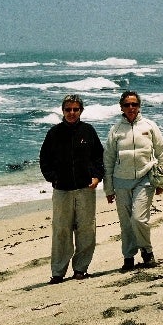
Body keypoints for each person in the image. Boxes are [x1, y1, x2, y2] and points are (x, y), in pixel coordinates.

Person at [39, 94, 105, 284]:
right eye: (68, 109)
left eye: (75, 109)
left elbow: (99, 157)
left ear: (81, 111)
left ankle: (80, 269)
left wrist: (97, 177)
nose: (72, 113)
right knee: (61, 230)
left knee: (86, 229)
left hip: (86, 189)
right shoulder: (54, 133)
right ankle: (58, 272)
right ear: (63, 111)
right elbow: (44, 160)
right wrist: (53, 178)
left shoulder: (88, 131)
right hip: (62, 190)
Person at [103, 90, 163, 271]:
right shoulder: (115, 130)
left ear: (139, 106)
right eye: (127, 105)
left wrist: (161, 181)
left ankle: (147, 251)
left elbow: (161, 153)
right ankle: (128, 257)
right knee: (126, 223)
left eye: (134, 104)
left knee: (139, 219)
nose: (131, 108)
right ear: (121, 107)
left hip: (145, 178)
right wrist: (108, 189)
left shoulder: (149, 126)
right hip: (121, 181)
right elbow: (108, 160)